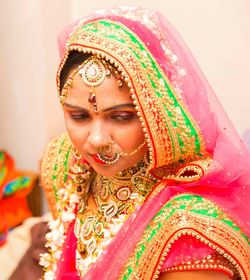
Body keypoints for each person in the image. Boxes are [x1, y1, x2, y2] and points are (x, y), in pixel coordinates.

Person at [39, 6, 250, 280]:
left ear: (155, 112)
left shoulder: (186, 231)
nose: (97, 140)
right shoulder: (65, 164)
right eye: (79, 116)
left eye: (122, 117)